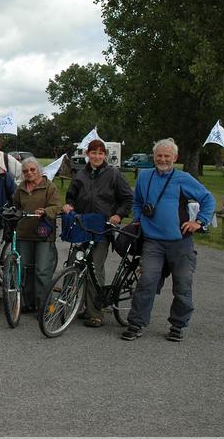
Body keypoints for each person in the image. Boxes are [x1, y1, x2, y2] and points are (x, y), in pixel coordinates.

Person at [121, 138, 215, 342]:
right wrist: (138, 219)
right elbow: (137, 201)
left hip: (180, 242)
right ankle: (136, 323)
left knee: (182, 285)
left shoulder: (183, 178)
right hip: (152, 241)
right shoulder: (145, 177)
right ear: (154, 157)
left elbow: (208, 199)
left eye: (166, 156)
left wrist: (199, 221)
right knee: (146, 282)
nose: (162, 159)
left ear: (175, 157)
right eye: (159, 156)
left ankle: (178, 325)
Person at [62, 139, 133, 327]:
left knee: (94, 267)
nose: (97, 156)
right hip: (82, 226)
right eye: (94, 153)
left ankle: (95, 312)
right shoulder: (81, 174)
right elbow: (71, 196)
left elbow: (127, 199)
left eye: (101, 153)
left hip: (102, 228)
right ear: (88, 154)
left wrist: (118, 214)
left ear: (105, 156)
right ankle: (82, 305)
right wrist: (69, 206)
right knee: (77, 264)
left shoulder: (113, 174)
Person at [12, 157, 62, 313]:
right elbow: (16, 206)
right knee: (25, 270)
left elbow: (57, 207)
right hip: (24, 233)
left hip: (43, 235)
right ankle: (29, 303)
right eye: (25, 171)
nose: (29, 173)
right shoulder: (20, 188)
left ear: (39, 170)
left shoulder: (49, 187)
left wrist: (45, 211)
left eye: (32, 170)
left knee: (42, 271)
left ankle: (45, 306)